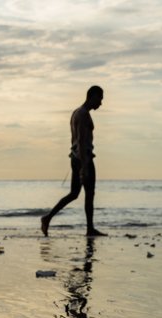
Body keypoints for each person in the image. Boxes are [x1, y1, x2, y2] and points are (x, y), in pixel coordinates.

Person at [41, 85, 107, 237]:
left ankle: (47, 218)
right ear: (92, 96)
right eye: (100, 99)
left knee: (74, 193)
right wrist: (84, 167)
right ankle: (89, 228)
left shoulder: (76, 112)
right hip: (83, 158)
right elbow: (82, 141)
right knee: (89, 193)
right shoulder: (83, 114)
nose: (101, 103)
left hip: (76, 157)